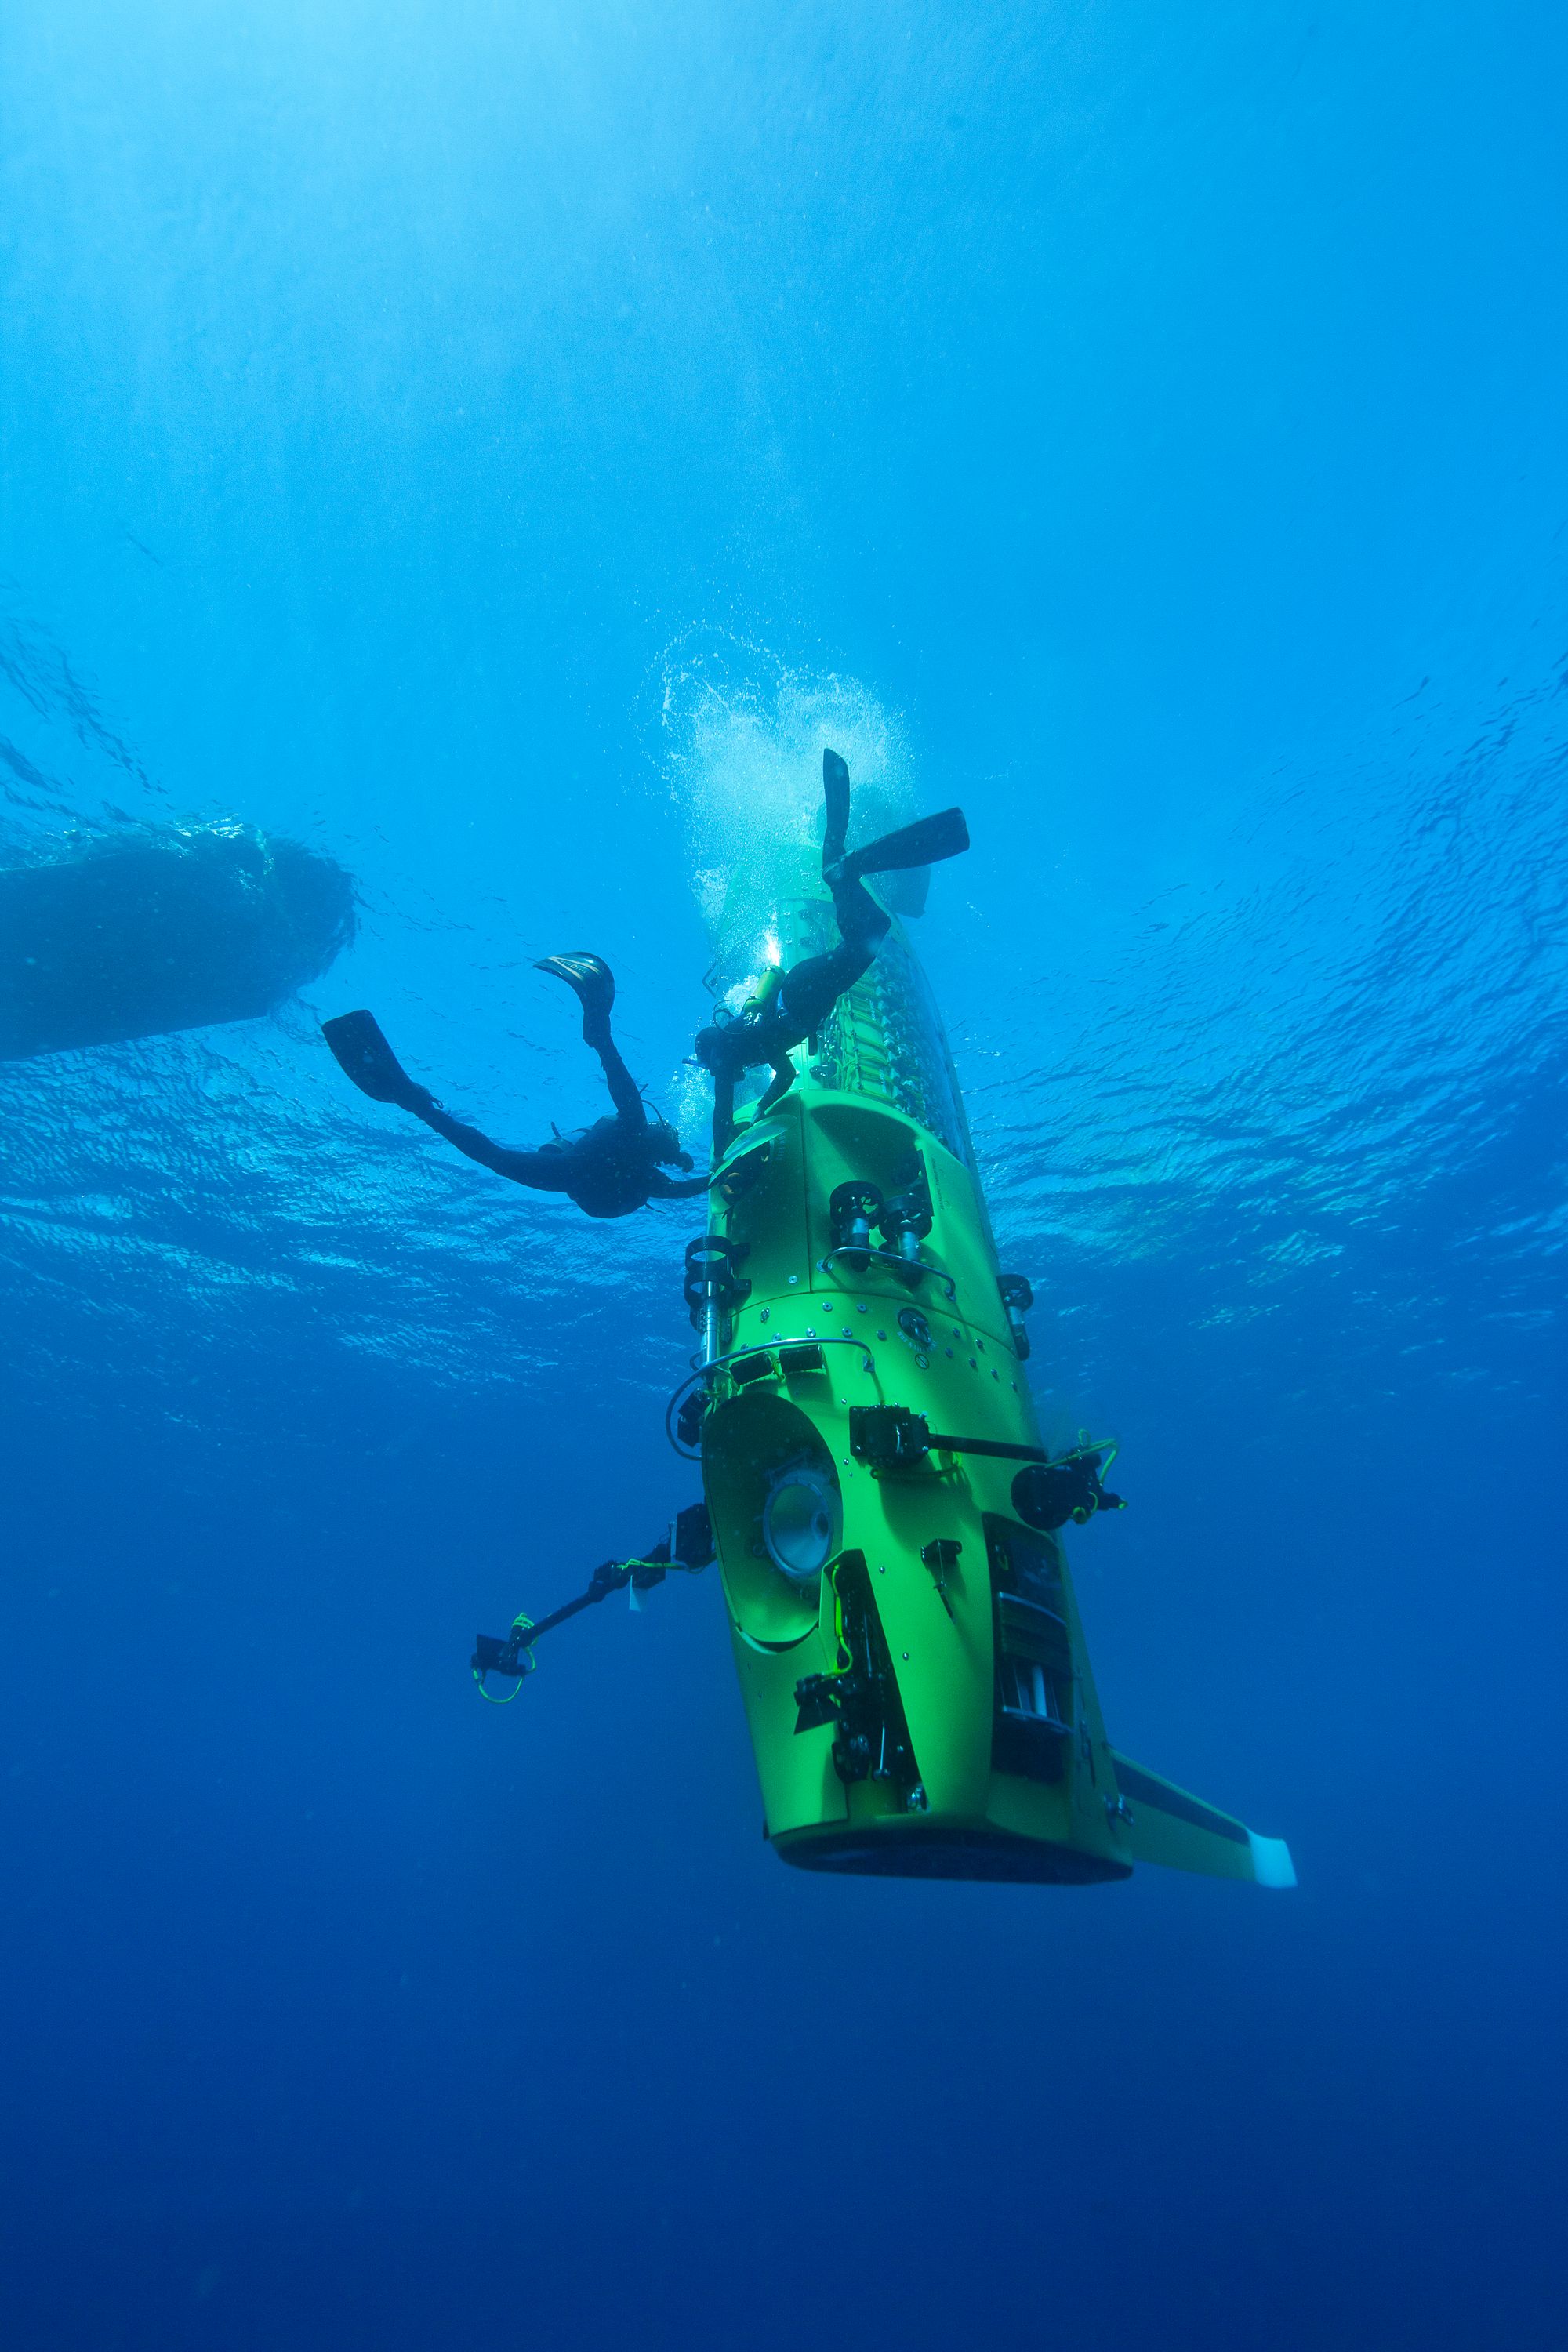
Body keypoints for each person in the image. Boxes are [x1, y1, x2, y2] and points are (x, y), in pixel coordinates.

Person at [694, 749, 970, 1152]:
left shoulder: (738, 1048)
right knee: (864, 938)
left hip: (806, 996)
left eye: (713, 1065)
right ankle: (841, 871)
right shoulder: (742, 1040)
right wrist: (757, 1110)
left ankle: (838, 869)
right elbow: (780, 1067)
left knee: (865, 938)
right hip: (803, 990)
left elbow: (755, 1090)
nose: (721, 1075)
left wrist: (747, 1122)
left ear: (716, 1054)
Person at [322, 953, 709, 1220]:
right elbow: (685, 1188)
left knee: (499, 1158)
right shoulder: (647, 1169)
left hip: (579, 1174)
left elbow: (684, 1187)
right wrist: (722, 1174)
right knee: (502, 1157)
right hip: (585, 1175)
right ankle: (601, 1037)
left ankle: (601, 1037)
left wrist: (716, 1174)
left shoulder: (647, 1169)